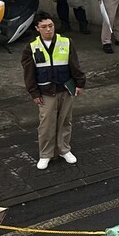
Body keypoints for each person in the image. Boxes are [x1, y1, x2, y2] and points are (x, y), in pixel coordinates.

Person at [22, 12, 86, 170]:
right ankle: (45, 154)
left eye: (51, 26)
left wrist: (80, 83)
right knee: (46, 124)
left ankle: (64, 149)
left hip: (65, 89)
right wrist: (34, 93)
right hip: (45, 93)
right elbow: (29, 73)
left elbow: (74, 65)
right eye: (44, 27)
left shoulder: (66, 42)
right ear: (37, 28)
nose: (48, 29)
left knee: (65, 120)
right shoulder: (31, 48)